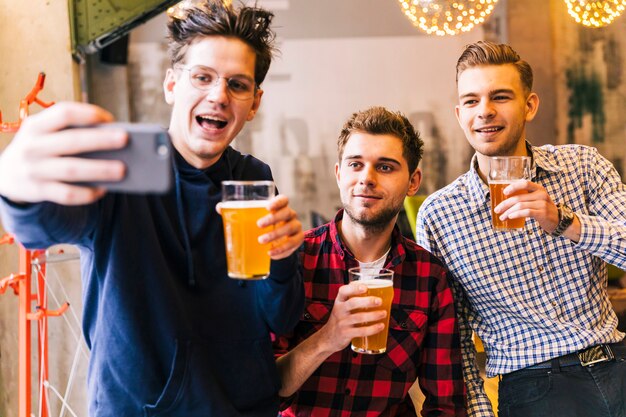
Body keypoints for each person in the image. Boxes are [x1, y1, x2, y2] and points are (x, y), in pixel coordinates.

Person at [0, 2, 304, 416]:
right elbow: (39, 228)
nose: (218, 96)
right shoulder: (123, 169)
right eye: (202, 78)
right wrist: (16, 188)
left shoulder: (253, 179)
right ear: (172, 85)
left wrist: (284, 261)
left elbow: (280, 319)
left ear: (253, 103)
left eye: (237, 84)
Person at [415, 40, 626, 417]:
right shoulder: (439, 214)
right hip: (533, 385)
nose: (485, 112)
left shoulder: (582, 165)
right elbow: (455, 337)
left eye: (500, 97)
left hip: (616, 361)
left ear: (530, 105)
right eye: (471, 101)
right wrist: (480, 411)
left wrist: (564, 222)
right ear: (459, 113)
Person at [273, 106, 467, 416]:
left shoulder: (429, 276)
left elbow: (446, 405)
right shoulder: (294, 260)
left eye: (386, 167)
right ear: (339, 174)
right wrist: (328, 337)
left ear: (413, 181)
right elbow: (267, 391)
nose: (367, 178)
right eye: (355, 164)